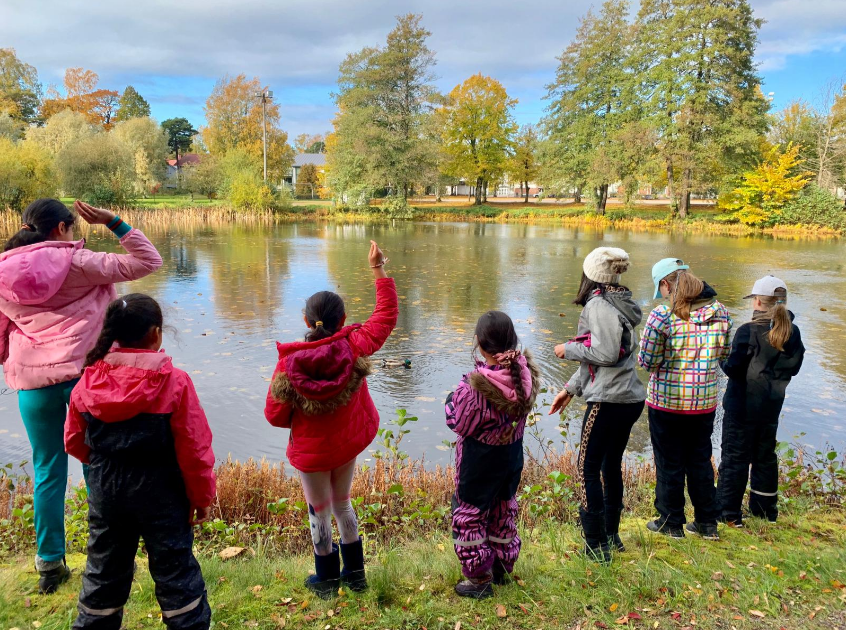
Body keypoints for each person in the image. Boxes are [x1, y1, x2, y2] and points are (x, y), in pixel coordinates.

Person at [0, 199, 162, 593]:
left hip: (34, 386)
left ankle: (49, 564)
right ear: (61, 228)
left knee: (47, 469)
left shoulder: (2, 273)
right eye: (71, 229)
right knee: (98, 465)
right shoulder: (79, 262)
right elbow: (148, 261)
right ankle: (107, 557)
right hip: (86, 382)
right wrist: (115, 222)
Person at [65, 294, 215, 630]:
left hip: (107, 489)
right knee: (175, 568)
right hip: (164, 492)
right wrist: (201, 496)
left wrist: (103, 467)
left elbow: (73, 441)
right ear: (156, 333)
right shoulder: (175, 382)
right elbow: (194, 449)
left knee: (104, 568)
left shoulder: (87, 380)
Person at [264, 241, 398, 599]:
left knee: (319, 511)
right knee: (342, 504)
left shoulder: (288, 364)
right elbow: (385, 317)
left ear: (306, 322)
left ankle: (326, 579)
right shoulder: (354, 345)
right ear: (343, 319)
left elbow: (274, 415)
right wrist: (377, 269)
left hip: (312, 454)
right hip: (345, 445)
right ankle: (356, 575)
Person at [549, 247, 646, 563]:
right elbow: (602, 358)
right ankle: (611, 537)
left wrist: (568, 349)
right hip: (628, 397)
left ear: (590, 274)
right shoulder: (620, 301)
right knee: (609, 465)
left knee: (586, 468)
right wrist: (570, 389)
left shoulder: (598, 305)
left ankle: (595, 544)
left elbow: (604, 354)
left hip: (608, 401)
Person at [445, 311, 539, 599]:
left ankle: (478, 578)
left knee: (469, 514)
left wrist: (450, 400)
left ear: (479, 343)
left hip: (480, 461)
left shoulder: (475, 388)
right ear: (513, 340)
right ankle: (501, 566)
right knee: (503, 509)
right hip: (511, 458)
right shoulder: (524, 375)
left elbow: (457, 421)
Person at [638, 258, 732, 540]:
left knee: (669, 462)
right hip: (703, 402)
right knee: (700, 460)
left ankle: (671, 522)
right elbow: (725, 354)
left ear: (665, 284)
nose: (662, 295)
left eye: (661, 289)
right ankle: (707, 523)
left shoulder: (662, 316)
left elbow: (647, 362)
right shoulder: (721, 312)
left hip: (667, 402)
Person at [716, 276, 804, 526]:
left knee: (734, 458)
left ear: (757, 302)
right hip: (771, 407)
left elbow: (733, 369)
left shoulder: (748, 331)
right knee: (765, 457)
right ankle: (765, 512)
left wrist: (720, 357)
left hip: (741, 407)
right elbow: (794, 368)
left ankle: (728, 513)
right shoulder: (793, 332)